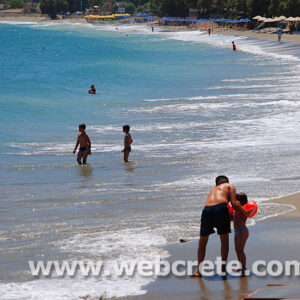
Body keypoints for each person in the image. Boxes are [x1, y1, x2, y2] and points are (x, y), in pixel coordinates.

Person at [191, 176, 239, 278]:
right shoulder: (230, 186)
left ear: (216, 184)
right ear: (227, 182)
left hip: (207, 210)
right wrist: (242, 214)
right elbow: (234, 204)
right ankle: (223, 269)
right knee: (224, 240)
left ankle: (198, 271)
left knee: (202, 241)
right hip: (221, 208)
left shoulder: (212, 190)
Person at [233, 193, 250, 275]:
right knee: (237, 250)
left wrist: (239, 206)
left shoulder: (243, 209)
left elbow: (248, 214)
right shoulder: (236, 210)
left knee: (240, 250)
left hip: (243, 231)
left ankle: (244, 267)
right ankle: (240, 266)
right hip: (236, 232)